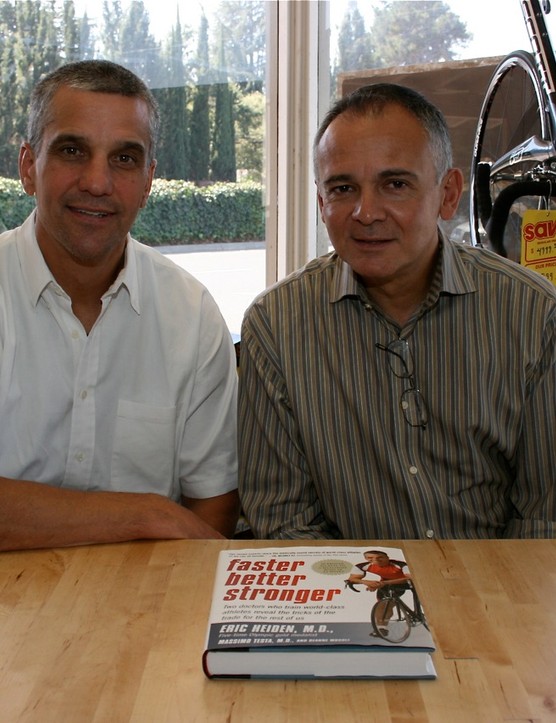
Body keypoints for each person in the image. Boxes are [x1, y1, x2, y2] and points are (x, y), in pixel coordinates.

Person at [238, 83, 556, 539]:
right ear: (321, 201)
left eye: (395, 184)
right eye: (343, 188)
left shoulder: (533, 315)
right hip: (354, 593)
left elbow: (545, 523)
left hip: (498, 595)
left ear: (448, 194)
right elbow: (283, 521)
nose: (366, 213)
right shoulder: (276, 326)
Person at [0, 60, 239, 550]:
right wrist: (143, 515)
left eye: (124, 159)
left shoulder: (190, 315)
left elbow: (212, 506)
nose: (97, 182)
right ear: (28, 166)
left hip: (143, 607)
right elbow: (172, 520)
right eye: (72, 150)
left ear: (149, 181)